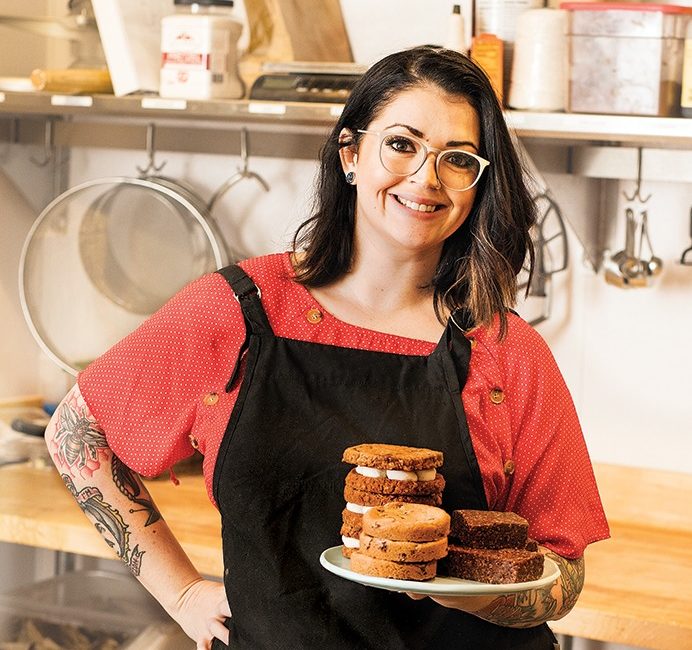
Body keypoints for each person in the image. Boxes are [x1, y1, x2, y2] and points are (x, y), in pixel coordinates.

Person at [45, 46, 609, 650]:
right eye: (402, 144)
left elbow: (563, 576)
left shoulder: (506, 353)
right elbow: (77, 430)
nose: (425, 177)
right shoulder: (239, 311)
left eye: (458, 159)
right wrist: (182, 593)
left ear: (477, 184)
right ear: (351, 154)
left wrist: (478, 590)